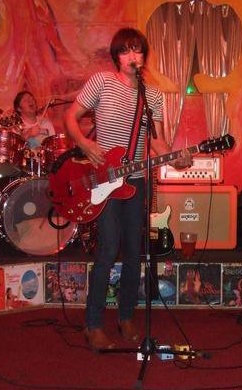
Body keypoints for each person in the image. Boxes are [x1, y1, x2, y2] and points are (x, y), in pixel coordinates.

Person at [64, 27, 192, 350]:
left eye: (137, 50)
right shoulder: (102, 82)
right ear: (117, 57)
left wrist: (177, 159)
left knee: (135, 251)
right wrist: (85, 144)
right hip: (104, 181)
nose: (132, 56)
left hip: (135, 181)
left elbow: (158, 143)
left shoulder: (153, 96)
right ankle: (93, 323)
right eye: (125, 51)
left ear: (144, 56)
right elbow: (71, 116)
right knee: (108, 248)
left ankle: (126, 317)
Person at [13, 90, 55, 174]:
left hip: (46, 166)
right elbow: (14, 151)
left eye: (32, 99)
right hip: (24, 168)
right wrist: (28, 134)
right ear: (19, 109)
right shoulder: (15, 127)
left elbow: (54, 146)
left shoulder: (47, 123)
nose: (30, 101)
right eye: (25, 100)